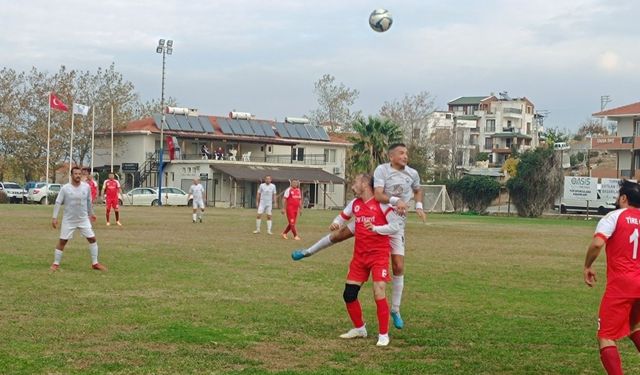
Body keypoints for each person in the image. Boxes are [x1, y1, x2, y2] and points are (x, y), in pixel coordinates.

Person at [292, 143, 425, 329]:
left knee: (398, 265)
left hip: (391, 222)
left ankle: (395, 309)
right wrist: (397, 201)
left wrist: (418, 206)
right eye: (401, 153)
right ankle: (308, 251)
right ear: (391, 156)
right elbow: (377, 195)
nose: (405, 156)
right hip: (370, 215)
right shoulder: (381, 170)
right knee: (338, 236)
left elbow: (417, 190)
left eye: (406, 153)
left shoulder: (412, 173)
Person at [294, 173, 401, 346]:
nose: (352, 186)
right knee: (349, 294)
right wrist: (336, 223)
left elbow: (395, 227)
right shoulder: (355, 204)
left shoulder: (382, 204)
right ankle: (359, 328)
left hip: (378, 256)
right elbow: (341, 217)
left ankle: (383, 334)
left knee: (378, 291)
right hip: (359, 256)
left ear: (365, 184)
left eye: (355, 182)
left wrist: (375, 228)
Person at [584, 180, 640, 375]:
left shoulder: (614, 216)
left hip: (622, 285)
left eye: (618, 196)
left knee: (606, 336)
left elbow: (598, 244)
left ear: (624, 198)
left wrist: (588, 265)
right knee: (634, 327)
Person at [50, 166, 107, 272]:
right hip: (69, 220)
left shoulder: (86, 187)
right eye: (75, 174)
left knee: (92, 239)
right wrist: (54, 217)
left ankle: (95, 263)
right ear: (71, 175)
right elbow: (58, 202)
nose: (78, 176)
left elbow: (89, 202)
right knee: (63, 241)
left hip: (83, 219)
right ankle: (55, 263)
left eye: (79, 174)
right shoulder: (65, 188)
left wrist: (92, 214)